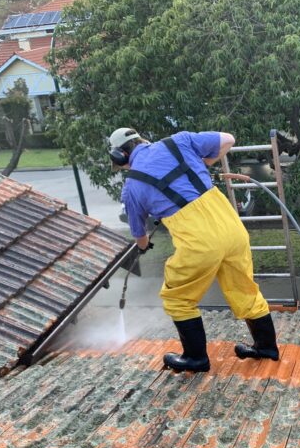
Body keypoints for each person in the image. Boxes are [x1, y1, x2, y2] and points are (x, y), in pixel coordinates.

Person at [109, 127, 280, 373]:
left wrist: (144, 248)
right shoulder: (178, 141)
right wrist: (202, 166)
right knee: (244, 289)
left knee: (177, 297)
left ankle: (195, 358)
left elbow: (141, 237)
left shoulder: (132, 187)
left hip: (201, 243)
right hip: (232, 229)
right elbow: (229, 139)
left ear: (120, 155)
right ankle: (266, 347)